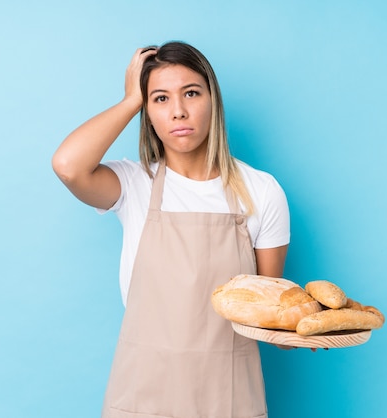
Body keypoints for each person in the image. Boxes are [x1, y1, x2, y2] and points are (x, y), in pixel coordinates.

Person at [52, 41, 290, 418]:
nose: (178, 111)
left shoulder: (262, 191)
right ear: (148, 113)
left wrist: (300, 332)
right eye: (160, 99)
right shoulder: (134, 184)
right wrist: (131, 99)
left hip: (228, 397)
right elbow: (68, 165)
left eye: (191, 93)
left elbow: (271, 314)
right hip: (143, 394)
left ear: (213, 100)